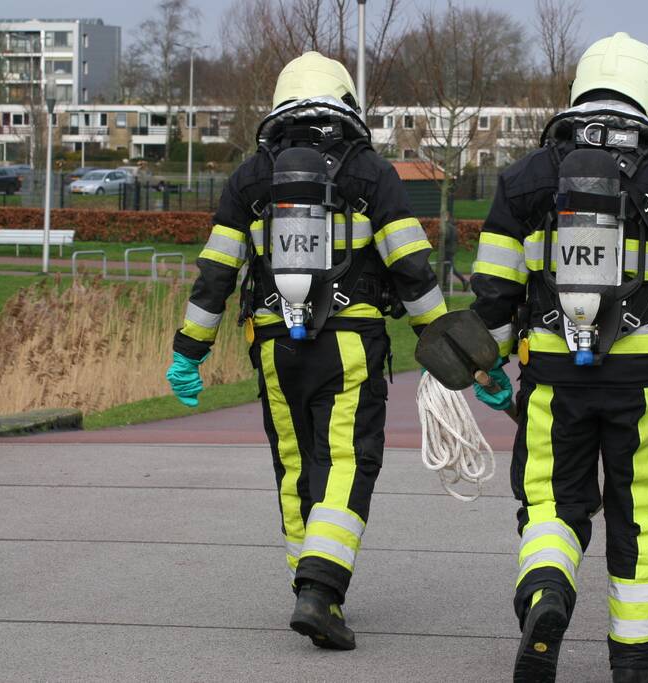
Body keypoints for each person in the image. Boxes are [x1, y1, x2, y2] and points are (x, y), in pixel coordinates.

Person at [469, 33, 648, 683]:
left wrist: (485, 367)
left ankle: (545, 596)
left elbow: (491, 293)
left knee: (549, 504)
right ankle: (633, 661)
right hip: (645, 385)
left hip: (550, 376)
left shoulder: (524, 179)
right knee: (638, 514)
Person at [164, 52, 446, 650]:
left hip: (274, 347)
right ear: (343, 102)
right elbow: (413, 271)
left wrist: (189, 351)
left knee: (295, 464)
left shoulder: (250, 176)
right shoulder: (370, 172)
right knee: (345, 460)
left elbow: (216, 272)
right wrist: (448, 347)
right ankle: (320, 590)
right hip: (349, 343)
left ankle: (311, 589)